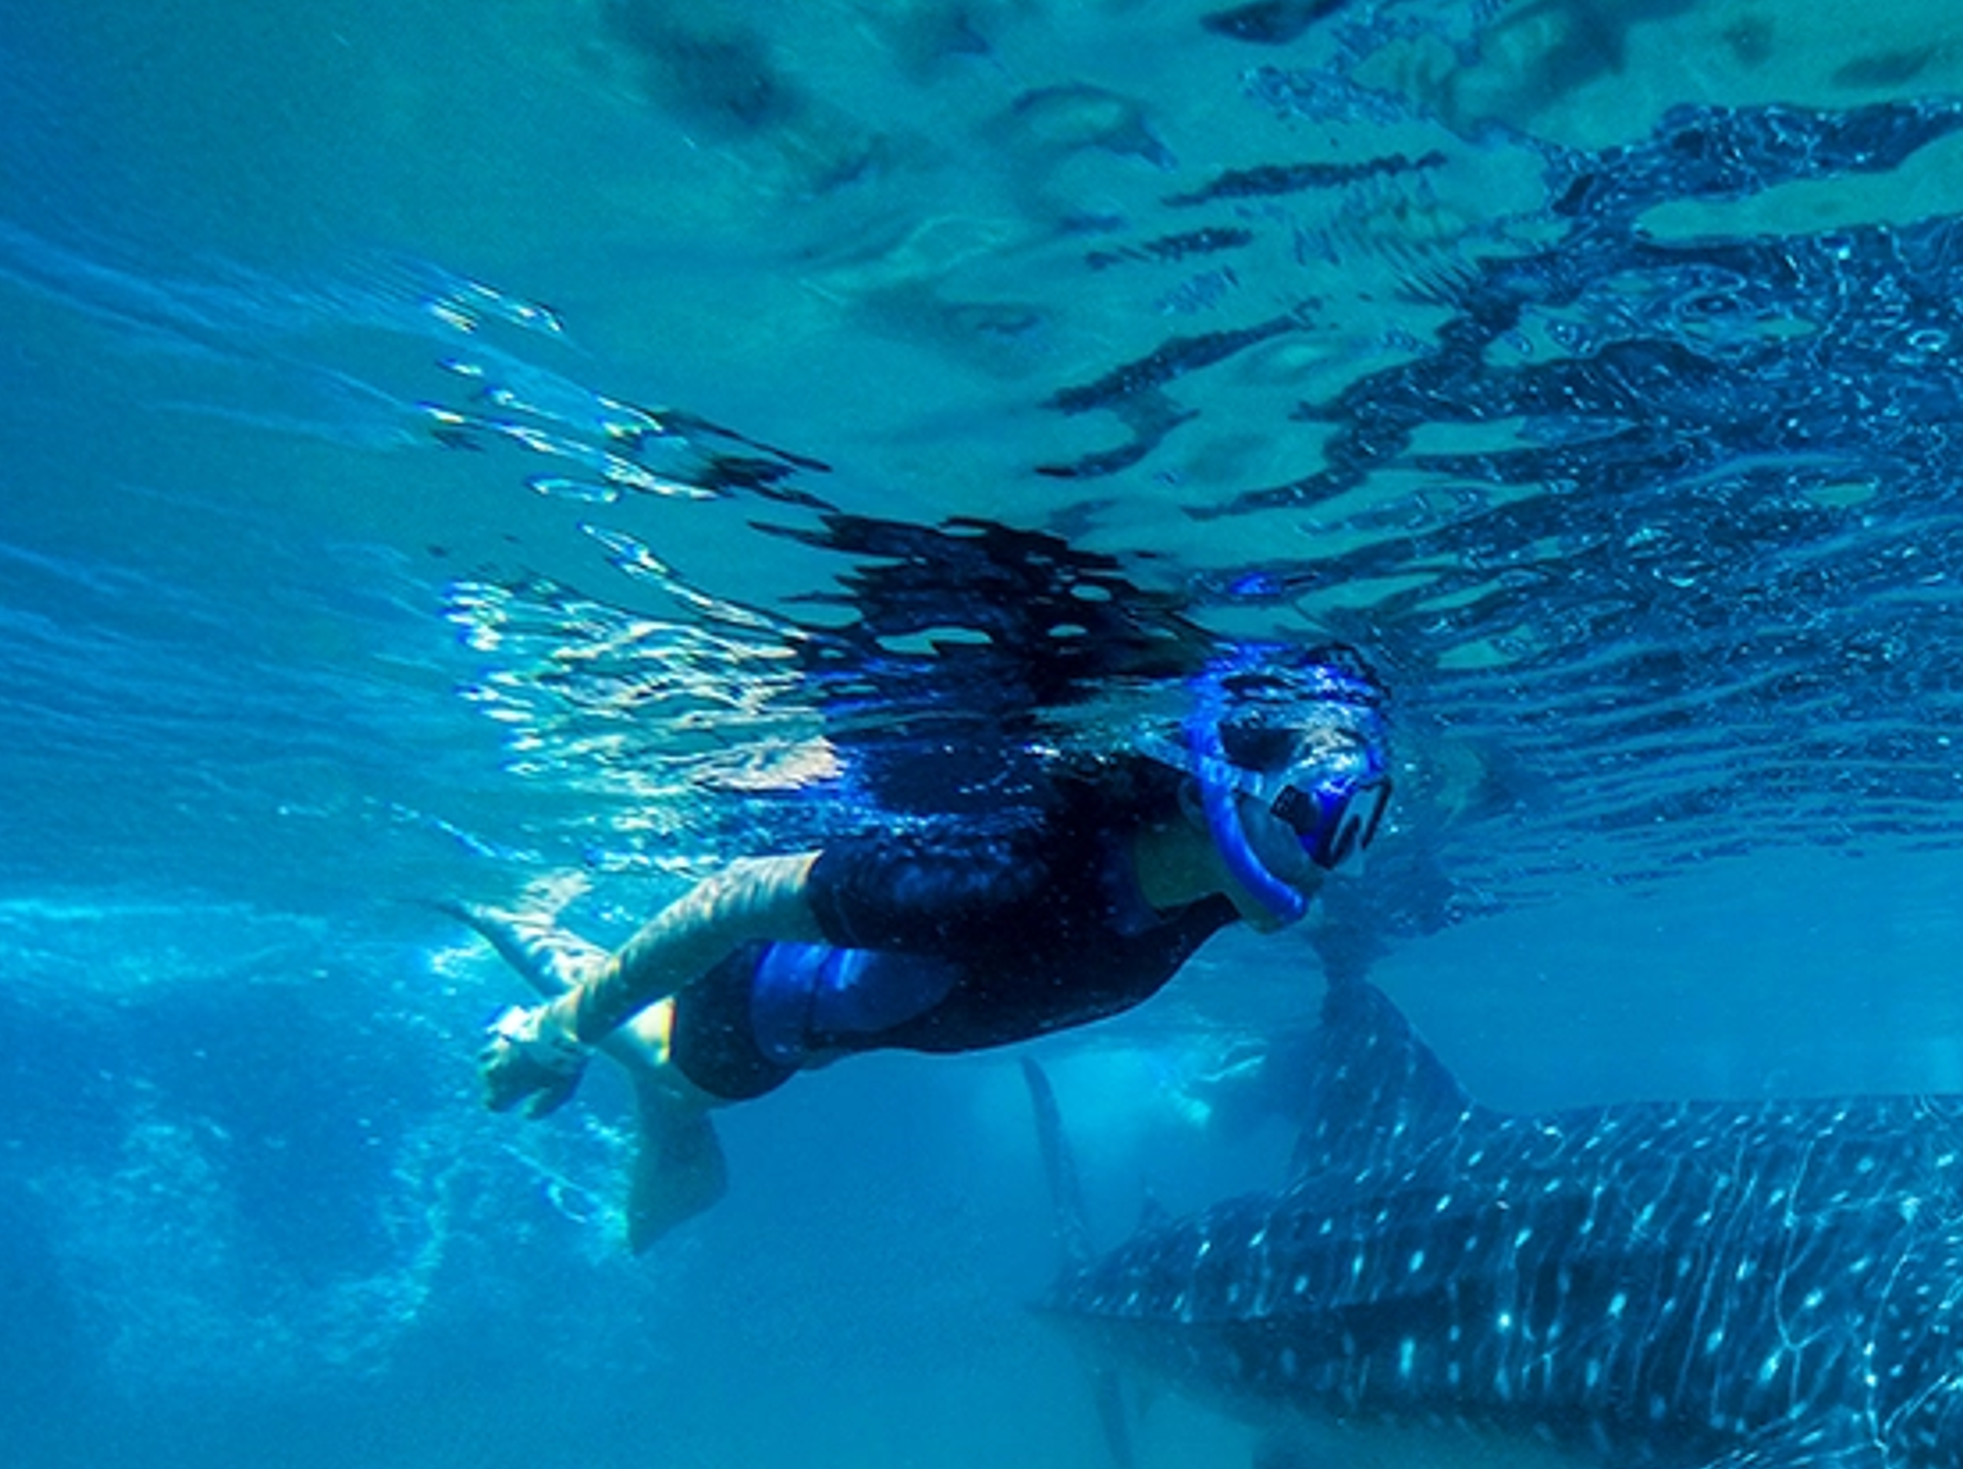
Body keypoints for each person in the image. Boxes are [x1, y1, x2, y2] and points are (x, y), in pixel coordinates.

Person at [468, 520, 1392, 1250]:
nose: (1334, 855)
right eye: (1316, 814)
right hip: (755, 1013)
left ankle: (621, 1062)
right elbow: (739, 893)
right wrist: (558, 1035)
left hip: (840, 1024)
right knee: (680, 1082)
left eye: (1359, 821)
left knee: (681, 1118)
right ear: (1204, 803)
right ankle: (515, 930)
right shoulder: (1010, 884)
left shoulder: (1212, 894)